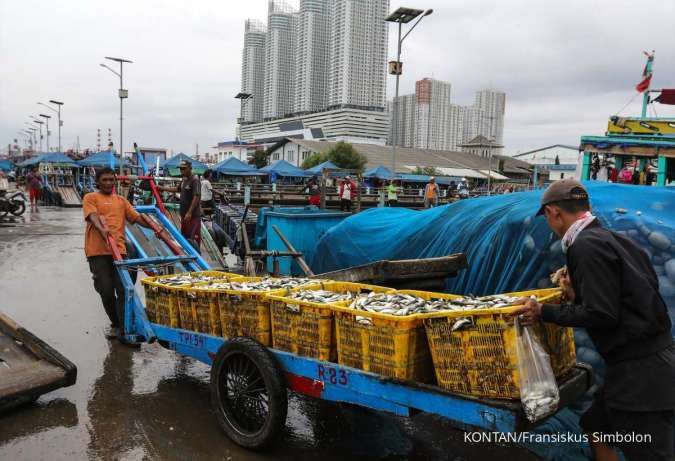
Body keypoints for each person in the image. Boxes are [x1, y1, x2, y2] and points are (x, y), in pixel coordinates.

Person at [515, 178, 674, 461]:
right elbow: (634, 292)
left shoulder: (585, 246)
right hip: (651, 360)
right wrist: (577, 295)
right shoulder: (614, 239)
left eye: (549, 219)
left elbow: (602, 314)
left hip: (639, 374)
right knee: (595, 426)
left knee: (650, 452)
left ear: (553, 212)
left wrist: (543, 312)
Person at [83, 167, 164, 341]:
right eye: (104, 180)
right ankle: (116, 323)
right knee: (105, 290)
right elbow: (92, 216)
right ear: (97, 182)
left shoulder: (121, 201)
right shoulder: (90, 198)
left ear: (115, 181)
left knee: (124, 289)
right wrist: (101, 229)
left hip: (119, 251)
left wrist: (156, 227)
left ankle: (123, 327)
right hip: (98, 251)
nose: (108, 183)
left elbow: (137, 218)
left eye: (111, 180)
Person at [159, 160, 202, 250]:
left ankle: (197, 258)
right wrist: (162, 188)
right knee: (184, 238)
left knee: (193, 240)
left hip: (193, 216)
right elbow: (177, 189)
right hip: (184, 215)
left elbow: (196, 196)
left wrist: (190, 212)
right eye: (180, 169)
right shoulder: (184, 179)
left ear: (190, 168)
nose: (181, 171)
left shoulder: (195, 180)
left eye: (183, 169)